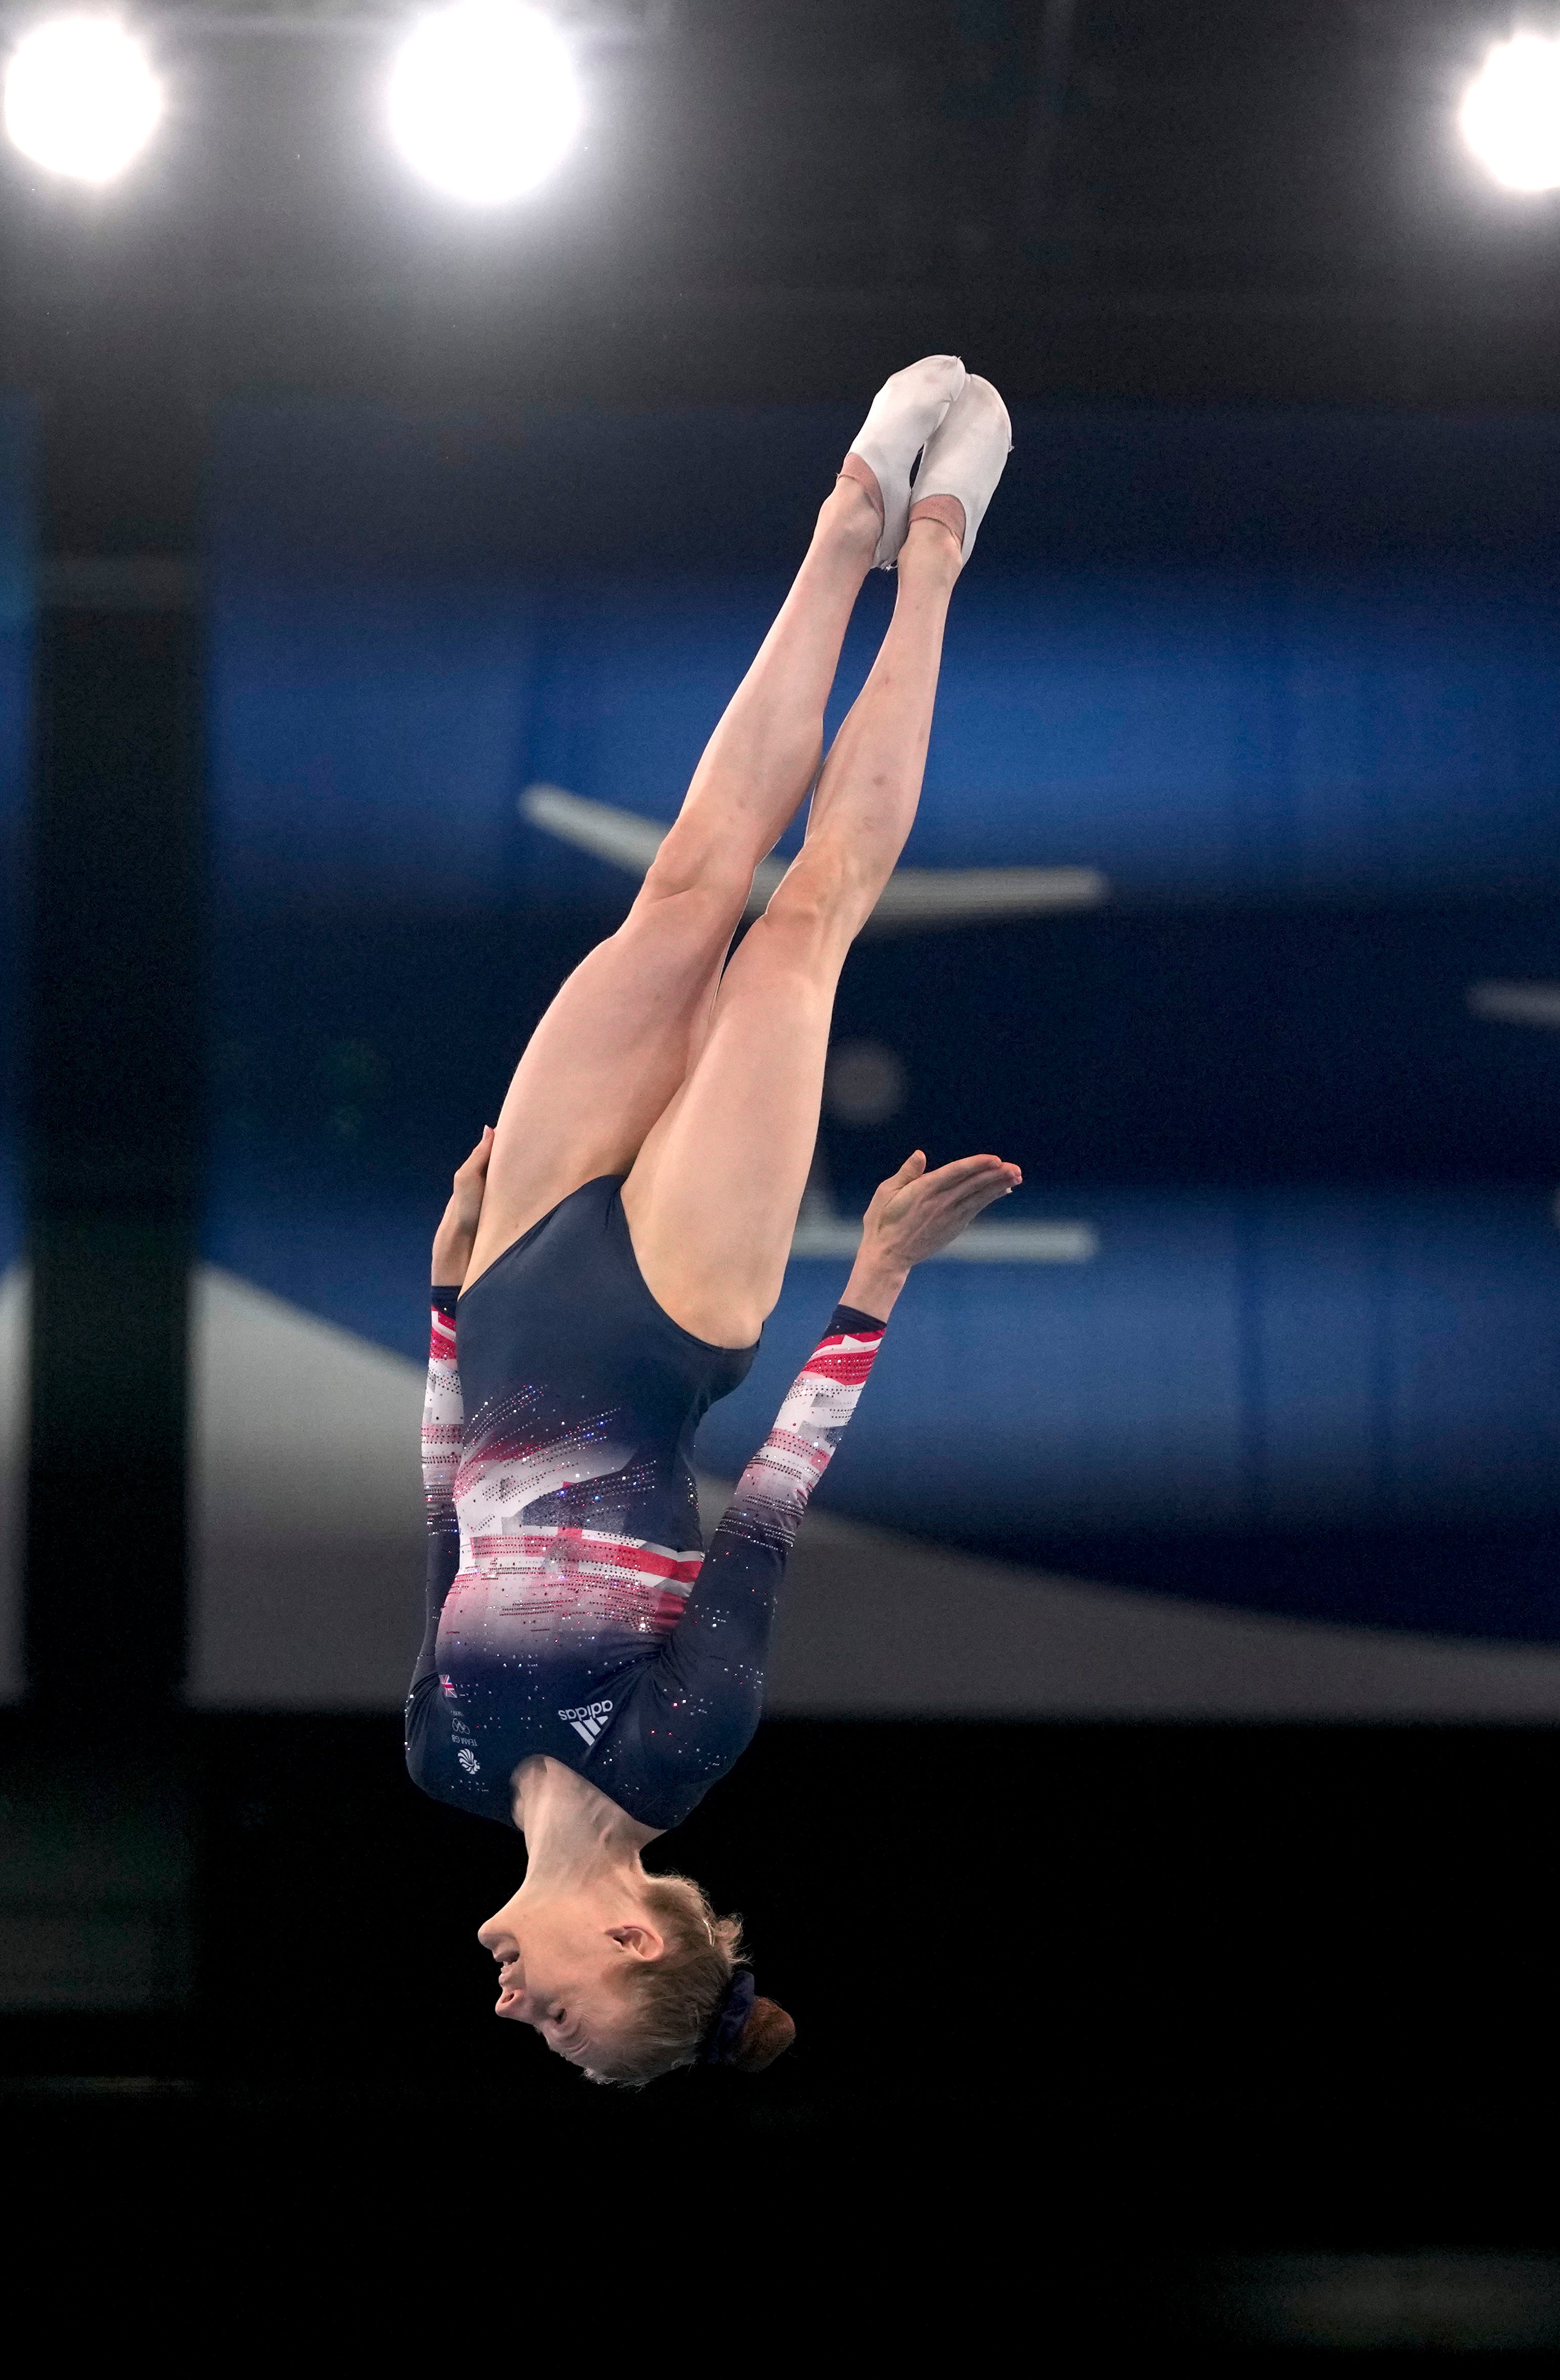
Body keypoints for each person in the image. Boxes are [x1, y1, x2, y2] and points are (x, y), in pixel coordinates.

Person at [406, 356, 1024, 2085]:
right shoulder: (679, 1744)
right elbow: (765, 1513)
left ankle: (841, 528)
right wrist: (872, 1291)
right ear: (636, 1940)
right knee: (796, 927)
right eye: (573, 2024)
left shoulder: (440, 1760)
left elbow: (448, 1520)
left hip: (522, 1278)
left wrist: (447, 1298)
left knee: (682, 886)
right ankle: (933, 556)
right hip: (677, 1316)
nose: (518, 2013)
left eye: (537, 2039)